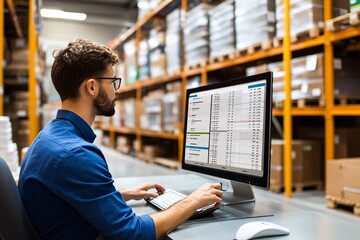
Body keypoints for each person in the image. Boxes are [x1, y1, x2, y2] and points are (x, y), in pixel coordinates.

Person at [18, 39, 223, 240]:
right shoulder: (76, 154)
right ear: (92, 87)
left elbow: (65, 200)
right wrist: (192, 202)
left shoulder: (50, 136)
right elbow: (133, 233)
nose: (117, 89)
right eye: (113, 81)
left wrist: (119, 196)